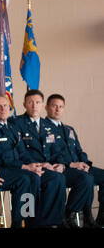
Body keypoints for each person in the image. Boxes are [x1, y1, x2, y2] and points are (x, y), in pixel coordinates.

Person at [0, 95, 60, 228]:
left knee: (35, 176)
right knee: (25, 178)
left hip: (17, 168)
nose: (3, 109)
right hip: (1, 170)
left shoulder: (12, 128)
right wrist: (24, 166)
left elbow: (22, 152)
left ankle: (31, 220)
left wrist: (35, 165)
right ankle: (18, 222)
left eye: (5, 106)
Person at [10, 89, 67, 227]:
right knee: (34, 179)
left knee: (58, 177)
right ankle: (33, 222)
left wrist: (60, 164)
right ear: (24, 104)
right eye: (30, 102)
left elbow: (56, 149)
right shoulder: (16, 123)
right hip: (29, 167)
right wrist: (40, 164)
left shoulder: (48, 125)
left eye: (38, 102)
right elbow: (19, 150)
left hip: (46, 168)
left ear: (43, 105)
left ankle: (51, 222)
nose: (34, 106)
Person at [45, 93, 103, 228]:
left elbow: (79, 150)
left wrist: (85, 163)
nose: (58, 109)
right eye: (54, 106)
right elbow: (49, 154)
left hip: (79, 166)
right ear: (47, 107)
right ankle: (68, 214)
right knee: (85, 179)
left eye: (61, 106)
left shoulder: (69, 129)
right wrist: (70, 164)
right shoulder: (44, 128)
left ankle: (99, 218)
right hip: (63, 168)